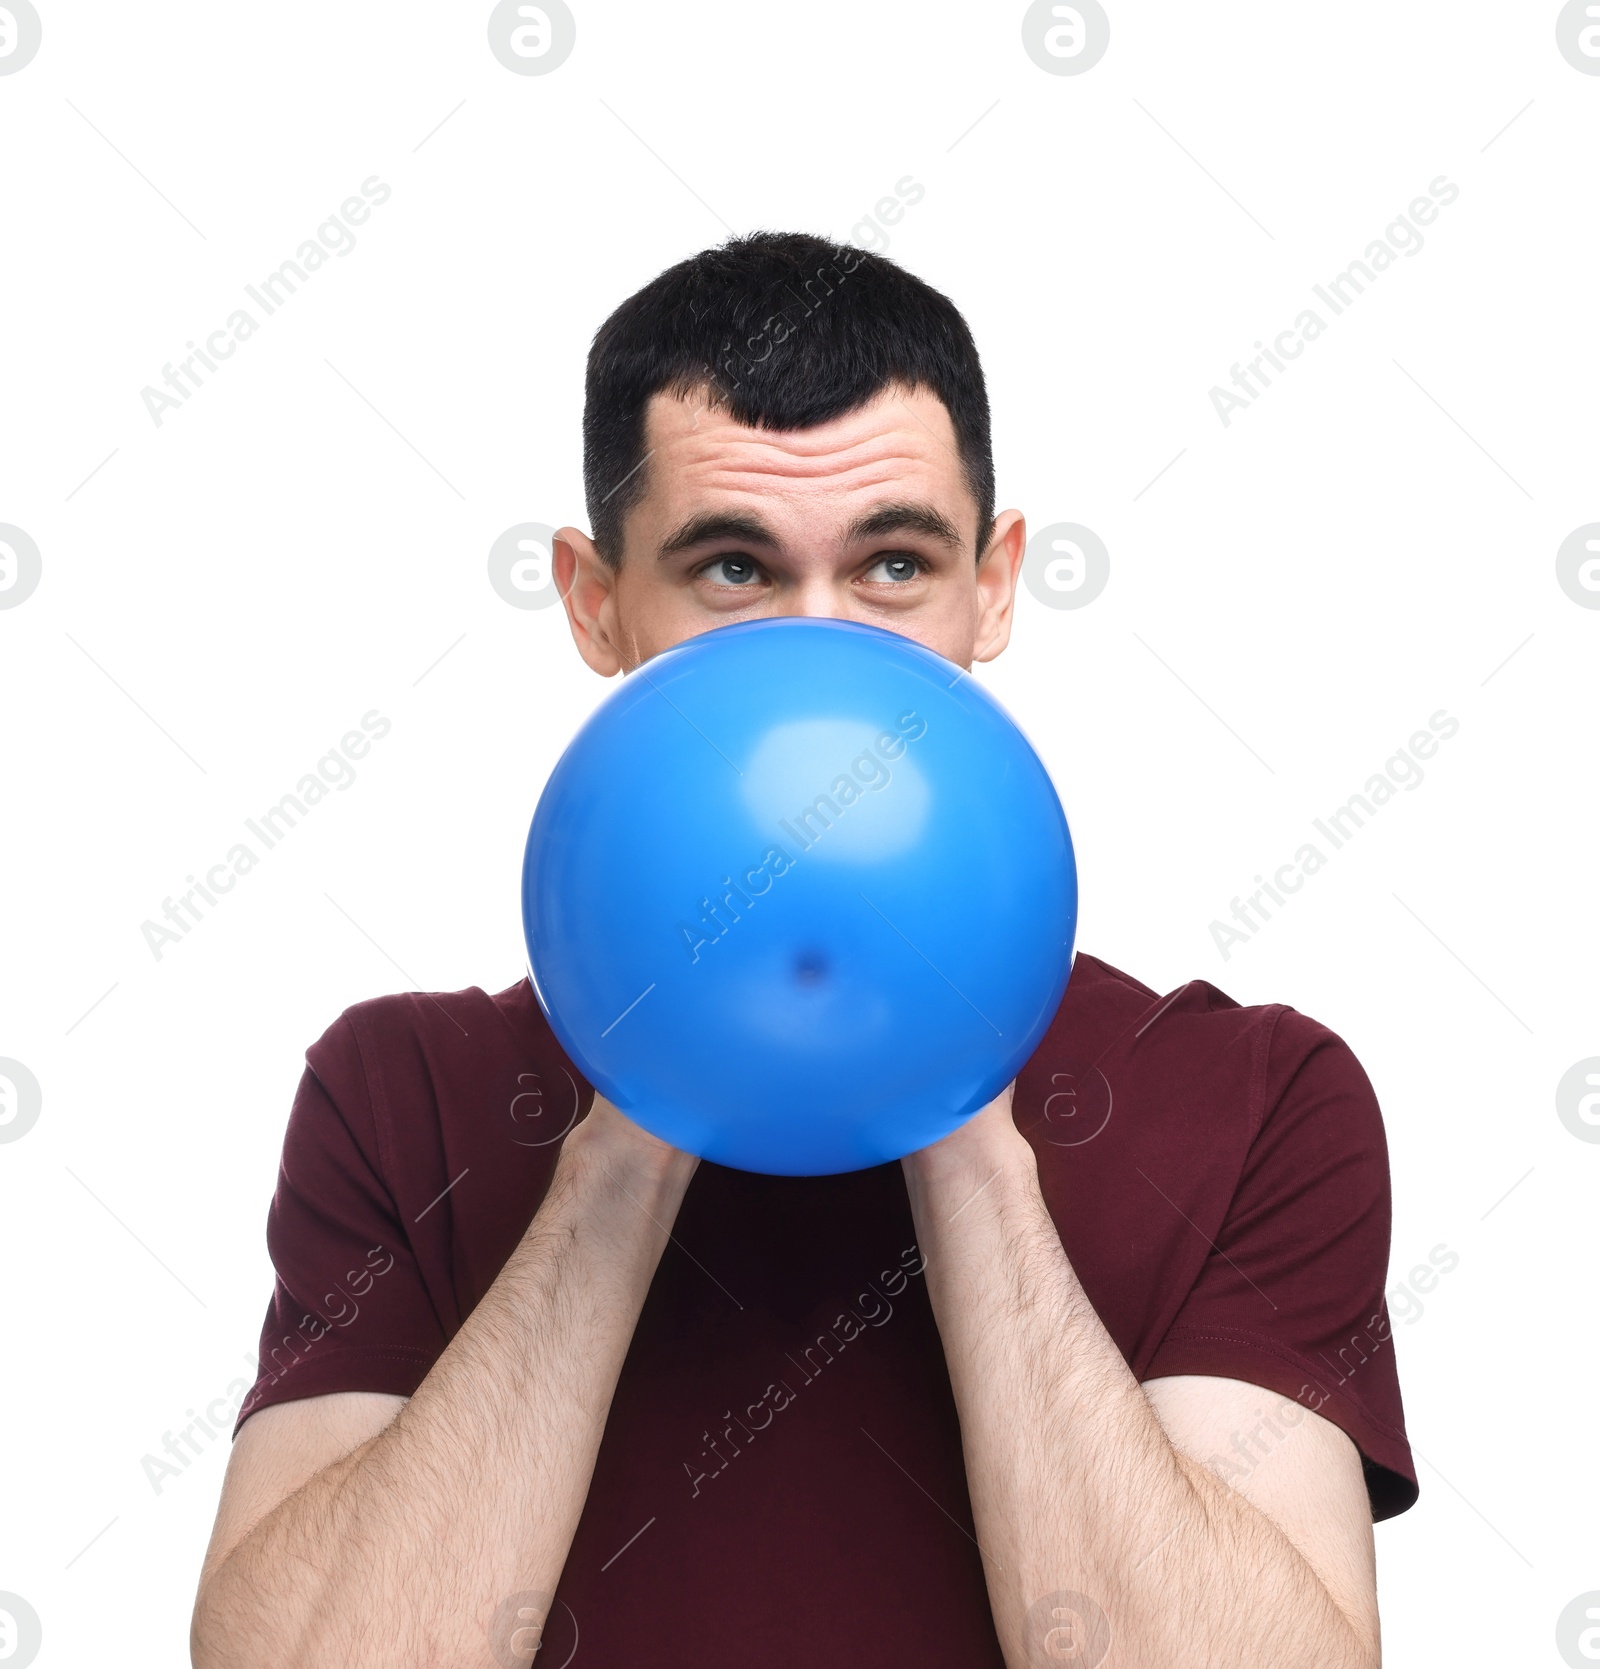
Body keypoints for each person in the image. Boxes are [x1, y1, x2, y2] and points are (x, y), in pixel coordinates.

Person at [190, 232, 1415, 1668]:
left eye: (896, 562)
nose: (820, 656)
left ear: (996, 585)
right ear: (598, 604)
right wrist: (636, 1115)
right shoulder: (401, 1089)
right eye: (732, 567)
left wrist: (954, 1101)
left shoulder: (1258, 1095)